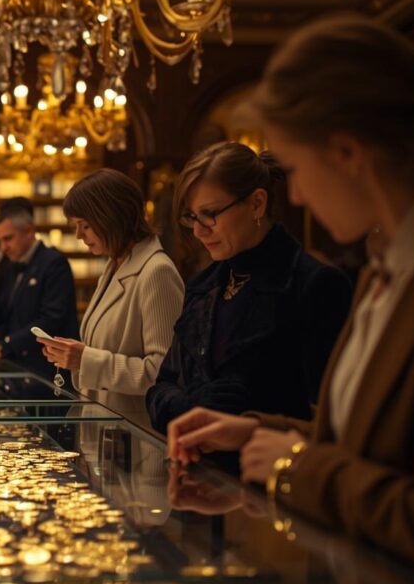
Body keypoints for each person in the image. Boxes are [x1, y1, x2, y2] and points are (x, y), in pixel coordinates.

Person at [167, 14, 414, 584]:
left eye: (297, 170)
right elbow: (373, 446)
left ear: (348, 153)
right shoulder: (385, 268)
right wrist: (259, 433)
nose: (297, 195)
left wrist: (294, 467)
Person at [144, 142, 352, 433]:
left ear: (257, 204)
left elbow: (332, 420)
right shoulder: (203, 285)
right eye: (192, 217)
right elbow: (162, 386)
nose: (199, 231)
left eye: (210, 213)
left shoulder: (314, 284)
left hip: (270, 459)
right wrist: (190, 406)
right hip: (192, 458)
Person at [37, 169, 185, 431]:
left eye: (85, 225)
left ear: (111, 217)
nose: (79, 235)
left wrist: (85, 360)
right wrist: (75, 354)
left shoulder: (157, 271)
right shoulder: (114, 265)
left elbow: (162, 373)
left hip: (137, 437)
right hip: (106, 433)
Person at [0, 208, 79, 381]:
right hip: (20, 367)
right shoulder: (13, 264)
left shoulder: (54, 262)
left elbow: (52, 319)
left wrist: (4, 346)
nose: (3, 248)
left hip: (47, 369)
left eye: (8, 238)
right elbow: (2, 311)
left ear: (29, 232)